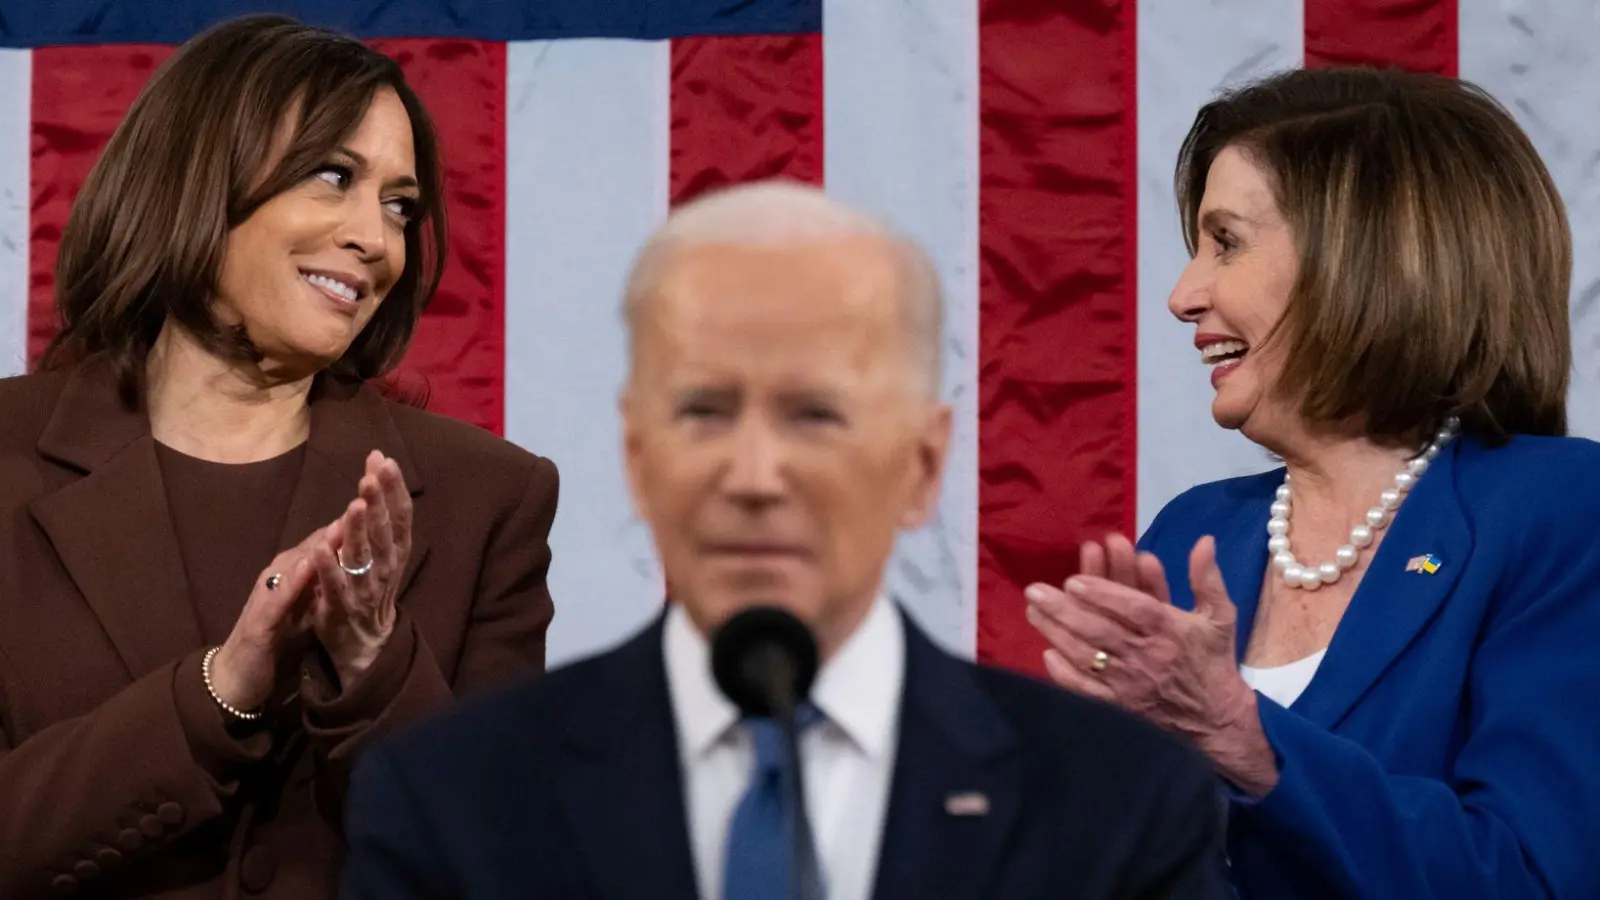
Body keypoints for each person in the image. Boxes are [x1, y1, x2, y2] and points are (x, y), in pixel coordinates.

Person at [339, 181, 1229, 900]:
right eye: (704, 412)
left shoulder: (1116, 807)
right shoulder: (452, 802)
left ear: (921, 467)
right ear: (639, 459)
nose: (755, 475)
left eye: (815, 415)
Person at [0, 15, 560, 900]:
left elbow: (496, 863)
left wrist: (373, 665)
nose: (375, 240)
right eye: (334, 176)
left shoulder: (487, 497)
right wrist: (218, 693)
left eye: (399, 205)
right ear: (198, 175)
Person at [1024, 67, 1600, 898]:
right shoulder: (1195, 534)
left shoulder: (1561, 514)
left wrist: (1244, 738)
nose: (1184, 296)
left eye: (1226, 242)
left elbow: (1531, 879)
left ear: (1367, 256)